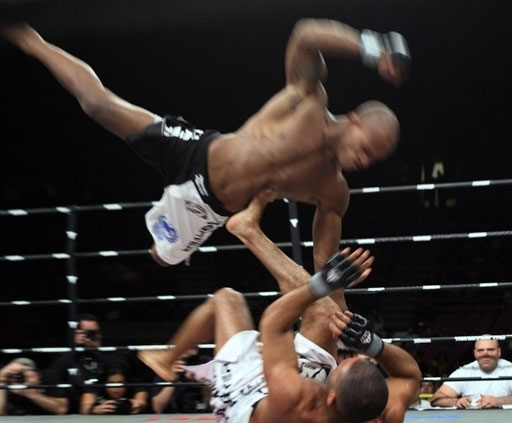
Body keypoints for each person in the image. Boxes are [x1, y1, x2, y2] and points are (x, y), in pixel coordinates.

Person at [1, 20, 408, 303]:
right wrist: (373, 48)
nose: (364, 160)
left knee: (161, 257)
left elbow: (325, 264)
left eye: (373, 159)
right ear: (353, 120)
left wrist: (343, 316)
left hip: (208, 209)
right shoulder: (308, 99)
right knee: (99, 105)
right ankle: (26, 35)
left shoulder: (332, 190)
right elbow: (306, 35)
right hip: (197, 150)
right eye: (367, 147)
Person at [139, 194, 421, 423]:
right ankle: (317, 210)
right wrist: (372, 345)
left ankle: (249, 232)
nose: (345, 355)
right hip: (305, 395)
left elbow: (274, 323)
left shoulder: (295, 402)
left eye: (343, 364)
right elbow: (410, 376)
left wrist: (321, 284)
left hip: (244, 400)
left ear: (330, 397)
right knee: (329, 314)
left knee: (227, 299)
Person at [50, 313, 139, 413]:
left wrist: (96, 349)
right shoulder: (70, 357)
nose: (94, 336)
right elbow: (54, 374)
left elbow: (123, 367)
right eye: (89, 333)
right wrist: (75, 347)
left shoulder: (110, 353)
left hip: (109, 404)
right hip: (77, 410)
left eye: (96, 332)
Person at [430, 338, 512, 409]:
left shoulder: (509, 369)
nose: (485, 354)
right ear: (475, 353)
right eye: (480, 350)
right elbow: (436, 399)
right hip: (470, 419)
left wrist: (498, 401)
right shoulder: (464, 371)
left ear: (499, 352)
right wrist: (456, 402)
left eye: (490, 350)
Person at [0, 357, 68, 415]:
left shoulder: (47, 376)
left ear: (37, 374)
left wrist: (30, 393)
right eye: (14, 375)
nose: (17, 378)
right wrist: (2, 381)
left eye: (22, 374)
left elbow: (61, 409)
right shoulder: (7, 382)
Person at [80, 364, 148, 415]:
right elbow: (84, 409)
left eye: (120, 384)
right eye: (111, 384)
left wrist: (137, 405)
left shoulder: (133, 386)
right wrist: (94, 410)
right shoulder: (96, 387)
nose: (116, 389)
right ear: (104, 383)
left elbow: (142, 401)